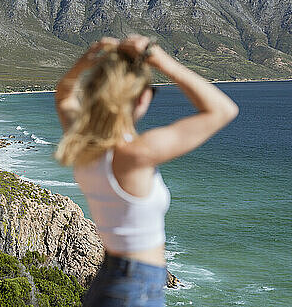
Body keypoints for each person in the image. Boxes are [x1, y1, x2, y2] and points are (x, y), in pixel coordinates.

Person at [54, 35, 239, 306]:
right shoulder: (135, 154)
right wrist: (158, 57)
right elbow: (224, 109)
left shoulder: (83, 144)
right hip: (135, 287)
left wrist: (88, 61)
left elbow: (64, 94)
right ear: (141, 97)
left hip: (112, 280)